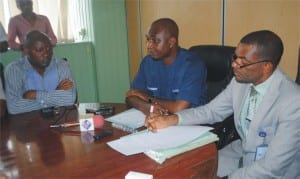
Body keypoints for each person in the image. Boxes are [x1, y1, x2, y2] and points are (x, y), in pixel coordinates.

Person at [145, 30, 300, 178]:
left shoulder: (293, 102)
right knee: (189, 168)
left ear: (266, 66)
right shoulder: (240, 83)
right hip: (240, 153)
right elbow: (211, 111)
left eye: (243, 62)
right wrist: (172, 120)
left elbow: (273, 167)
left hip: (275, 172)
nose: (234, 65)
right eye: (235, 58)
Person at [126, 18, 207, 115]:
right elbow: (131, 96)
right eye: (148, 40)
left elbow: (179, 109)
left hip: (189, 124)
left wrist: (148, 98)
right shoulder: (147, 62)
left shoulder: (193, 65)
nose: (149, 45)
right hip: (158, 119)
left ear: (171, 42)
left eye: (155, 41)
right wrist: (148, 107)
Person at [5, 30, 76, 114]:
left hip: (59, 120)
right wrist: (55, 94)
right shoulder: (14, 69)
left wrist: (35, 95)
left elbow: (70, 98)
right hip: (29, 123)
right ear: (26, 50)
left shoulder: (62, 65)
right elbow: (14, 107)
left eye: (49, 48)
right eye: (39, 50)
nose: (46, 54)